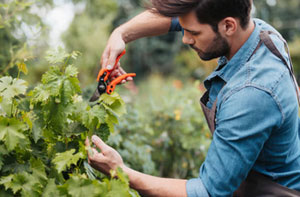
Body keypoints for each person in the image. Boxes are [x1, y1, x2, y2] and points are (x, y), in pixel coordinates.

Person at [86, 0, 300, 196]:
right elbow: (175, 18)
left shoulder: (251, 93)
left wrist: (120, 171)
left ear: (228, 26)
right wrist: (120, 35)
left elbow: (208, 191)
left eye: (193, 33)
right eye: (184, 28)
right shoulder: (257, 30)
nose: (185, 38)